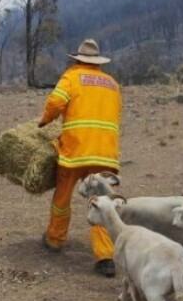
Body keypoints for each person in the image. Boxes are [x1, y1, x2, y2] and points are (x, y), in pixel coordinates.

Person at [37, 39, 121, 277]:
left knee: (63, 196)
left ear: (78, 60)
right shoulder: (112, 84)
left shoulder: (72, 76)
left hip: (75, 151)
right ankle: (106, 257)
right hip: (105, 152)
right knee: (101, 201)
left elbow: (56, 101)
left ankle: (54, 240)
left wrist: (44, 121)